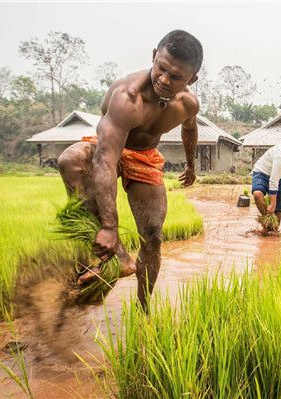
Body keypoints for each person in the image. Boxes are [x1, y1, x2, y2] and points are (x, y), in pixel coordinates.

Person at [57, 30, 203, 310]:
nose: (163, 79)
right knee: (70, 160)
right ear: (154, 56)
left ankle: (143, 306)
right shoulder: (127, 97)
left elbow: (190, 128)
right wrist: (110, 226)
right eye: (161, 68)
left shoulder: (188, 104)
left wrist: (191, 165)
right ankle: (115, 255)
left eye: (176, 77)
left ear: (191, 80)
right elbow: (105, 160)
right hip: (108, 148)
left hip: (145, 155)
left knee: (154, 238)